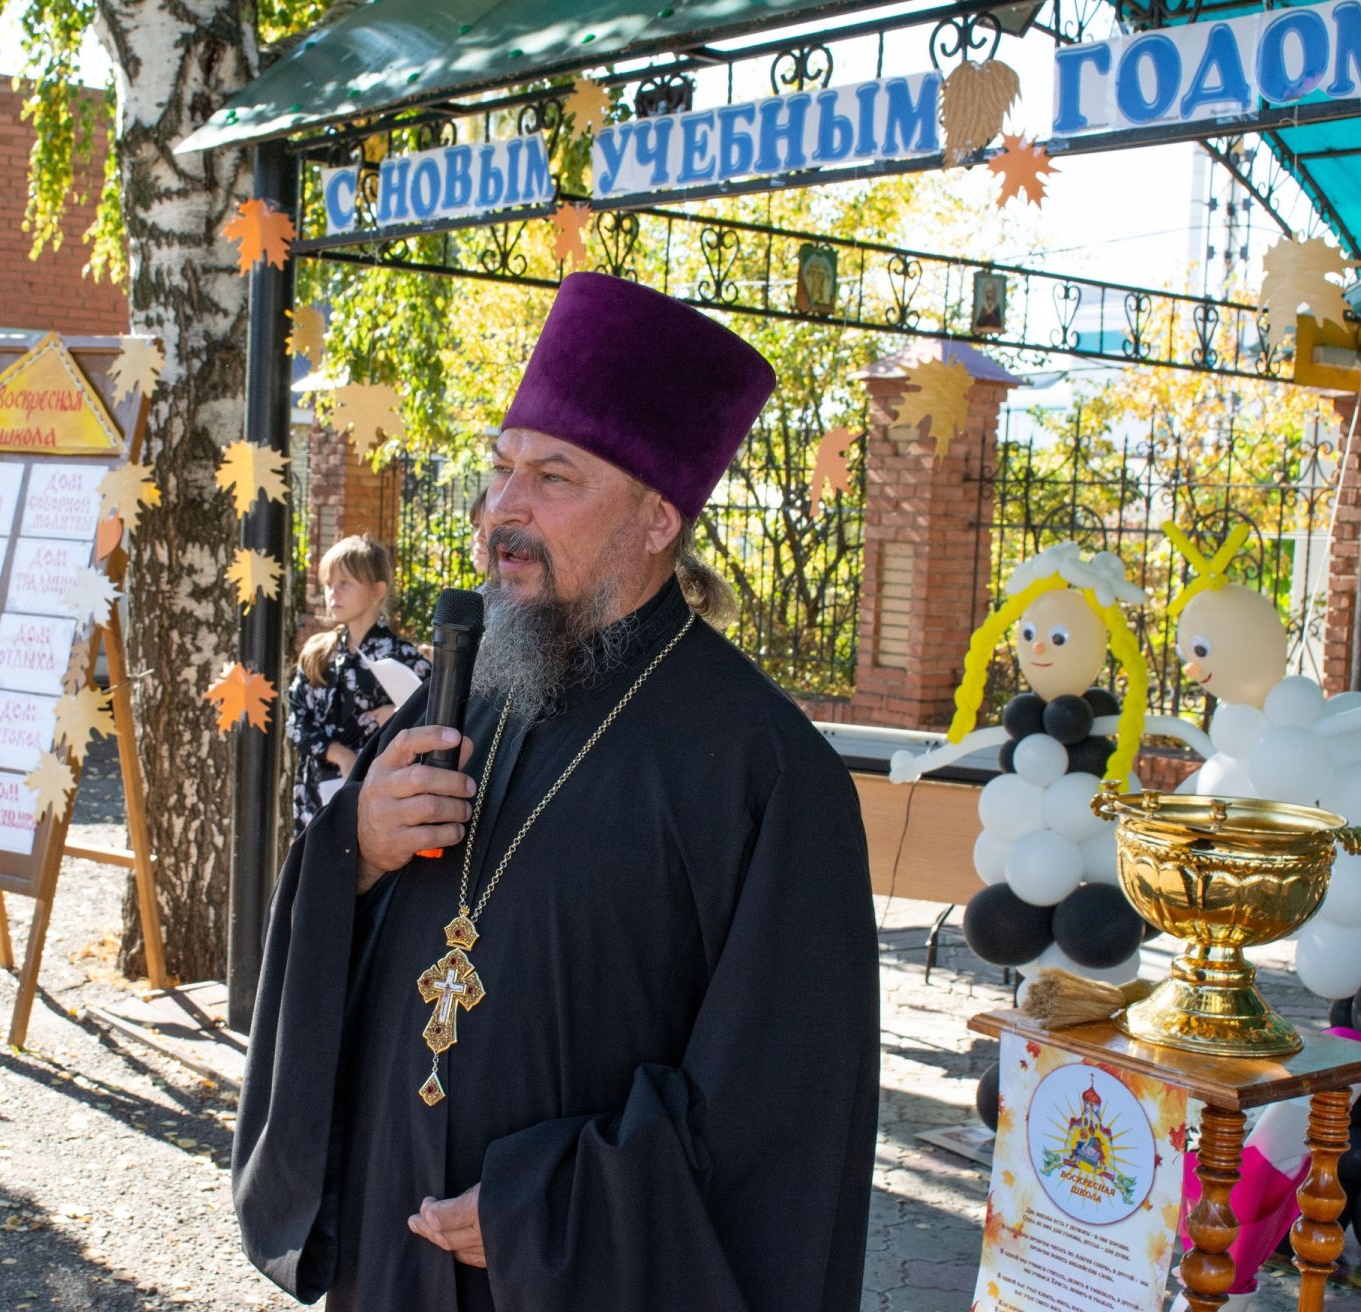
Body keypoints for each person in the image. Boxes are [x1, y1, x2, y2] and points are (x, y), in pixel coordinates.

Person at [235, 272, 878, 1311]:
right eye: (500, 469)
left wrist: (551, 1208)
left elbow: (781, 1117)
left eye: (554, 478)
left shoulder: (768, 773)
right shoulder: (471, 680)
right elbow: (337, 925)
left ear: (660, 514)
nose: (502, 513)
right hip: (396, 1253)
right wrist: (354, 842)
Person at [286, 536, 432, 831]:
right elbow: (294, 721)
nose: (332, 593)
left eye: (344, 584)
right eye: (329, 584)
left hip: (376, 805)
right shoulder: (317, 653)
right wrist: (337, 752)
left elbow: (437, 723)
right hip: (313, 801)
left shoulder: (404, 658)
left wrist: (398, 714)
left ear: (378, 590)